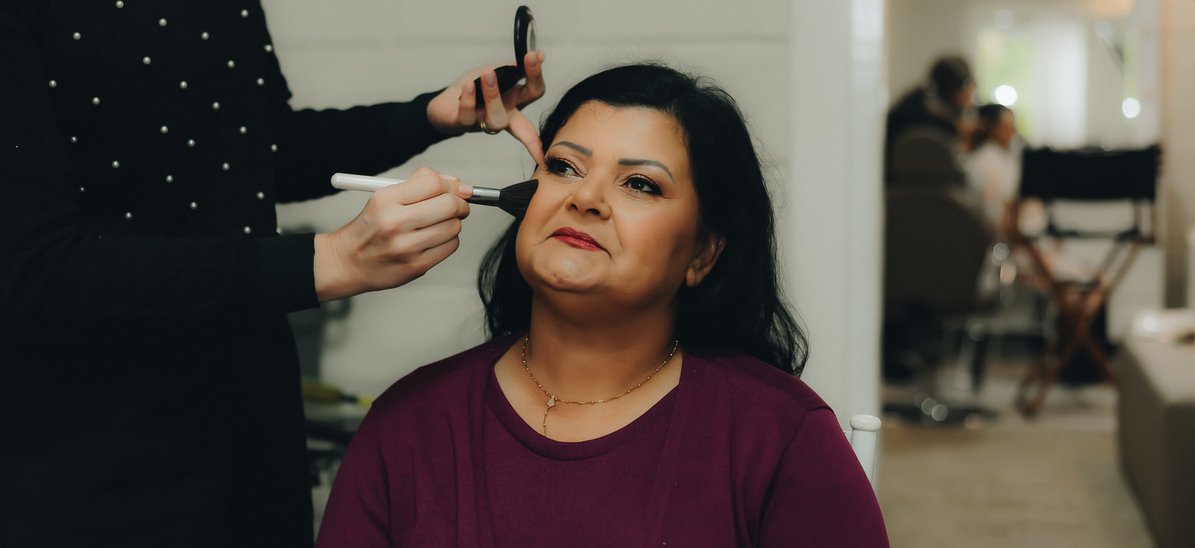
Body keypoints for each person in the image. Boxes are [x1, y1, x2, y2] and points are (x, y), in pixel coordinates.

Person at [0, 0, 544, 547]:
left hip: (249, 421)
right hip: (88, 454)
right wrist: (329, 262)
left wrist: (428, 116)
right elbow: (32, 270)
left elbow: (247, 146)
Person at [316, 63, 890, 546]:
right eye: (563, 167)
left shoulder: (784, 439)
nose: (585, 197)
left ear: (703, 252)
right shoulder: (406, 425)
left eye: (640, 183)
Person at [886, 55, 976, 183]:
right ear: (958, 87)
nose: (971, 98)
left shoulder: (920, 101)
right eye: (969, 89)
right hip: (913, 185)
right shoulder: (930, 117)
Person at [963, 103, 1023, 236]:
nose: (1011, 133)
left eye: (1012, 127)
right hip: (995, 235)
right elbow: (992, 213)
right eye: (1006, 127)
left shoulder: (1008, 157)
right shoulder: (981, 161)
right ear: (992, 128)